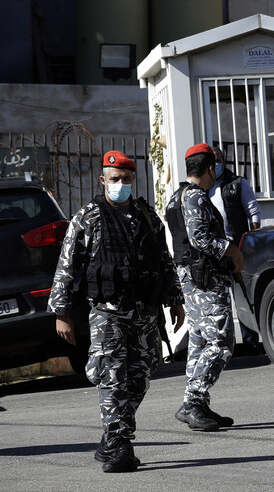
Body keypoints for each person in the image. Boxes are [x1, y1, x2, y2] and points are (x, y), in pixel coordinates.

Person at [49, 150, 185, 472]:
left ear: (133, 179)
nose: (120, 184)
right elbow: (67, 265)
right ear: (103, 180)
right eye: (114, 179)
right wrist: (62, 311)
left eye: (125, 179)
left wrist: (175, 299)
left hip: (144, 313)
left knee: (139, 379)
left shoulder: (147, 217)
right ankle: (121, 446)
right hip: (107, 313)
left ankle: (111, 437)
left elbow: (163, 260)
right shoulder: (88, 217)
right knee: (112, 378)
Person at [166, 143, 245, 432]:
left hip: (194, 280)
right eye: (216, 168)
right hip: (206, 280)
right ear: (211, 168)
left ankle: (195, 403)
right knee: (221, 343)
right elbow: (200, 240)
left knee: (200, 342)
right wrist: (233, 252)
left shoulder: (178, 197)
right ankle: (193, 402)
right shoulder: (195, 198)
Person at [209, 146, 262, 354]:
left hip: (238, 249)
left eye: (217, 159)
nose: (215, 164)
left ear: (224, 161)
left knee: (244, 296)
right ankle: (225, 346)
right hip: (216, 251)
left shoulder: (237, 184)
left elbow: (253, 212)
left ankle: (251, 342)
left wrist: (250, 241)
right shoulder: (202, 188)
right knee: (219, 300)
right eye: (211, 160)